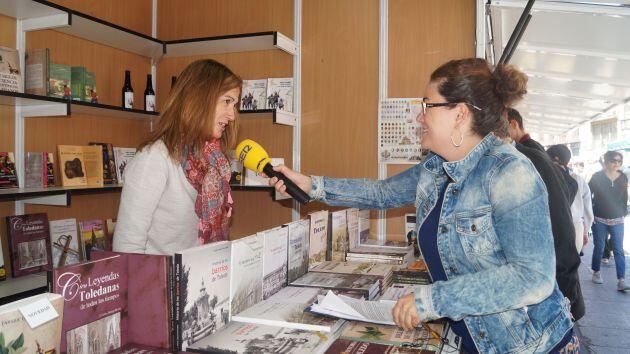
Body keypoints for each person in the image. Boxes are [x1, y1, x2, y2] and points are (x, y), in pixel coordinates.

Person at [269, 58, 576, 353]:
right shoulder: (435, 167)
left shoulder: (510, 173)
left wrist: (432, 301)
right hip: (471, 341)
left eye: (427, 105)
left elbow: (533, 277)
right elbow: (381, 193)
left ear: (460, 114)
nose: (420, 116)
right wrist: (312, 185)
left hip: (528, 345)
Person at [113, 59, 241, 255]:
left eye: (234, 105)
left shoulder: (213, 162)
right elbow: (127, 248)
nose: (232, 116)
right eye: (227, 101)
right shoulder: (153, 159)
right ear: (200, 99)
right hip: (160, 283)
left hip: (203, 277)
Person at [509, 139, 584, 321]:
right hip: (550, 272)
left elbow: (561, 230)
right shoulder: (535, 162)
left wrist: (568, 295)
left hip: (551, 279)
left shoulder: (532, 162)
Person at [589, 150, 630, 291]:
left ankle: (621, 280)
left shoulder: (623, 177)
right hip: (599, 218)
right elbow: (587, 195)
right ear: (606, 161)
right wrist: (589, 214)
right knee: (599, 246)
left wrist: (624, 211)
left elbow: (625, 196)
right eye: (613, 161)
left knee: (618, 250)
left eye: (619, 161)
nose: (616, 164)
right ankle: (596, 271)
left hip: (618, 219)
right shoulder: (597, 177)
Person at [547, 144, 593, 254]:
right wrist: (585, 231)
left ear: (555, 159)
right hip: (576, 227)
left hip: (553, 227)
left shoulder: (547, 178)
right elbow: (588, 209)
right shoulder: (579, 179)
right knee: (572, 266)